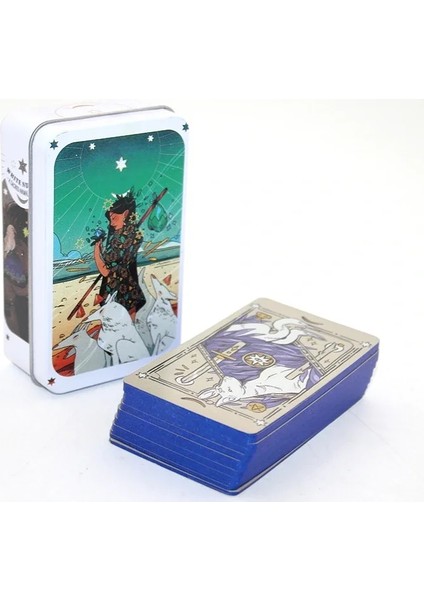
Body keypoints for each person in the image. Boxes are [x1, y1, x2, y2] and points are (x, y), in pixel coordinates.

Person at [94, 191, 145, 321]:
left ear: (125, 214)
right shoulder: (131, 234)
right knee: (128, 325)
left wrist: (97, 252)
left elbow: (105, 271)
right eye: (110, 219)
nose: (111, 223)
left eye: (114, 218)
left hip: (119, 289)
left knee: (119, 325)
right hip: (129, 288)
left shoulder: (123, 238)